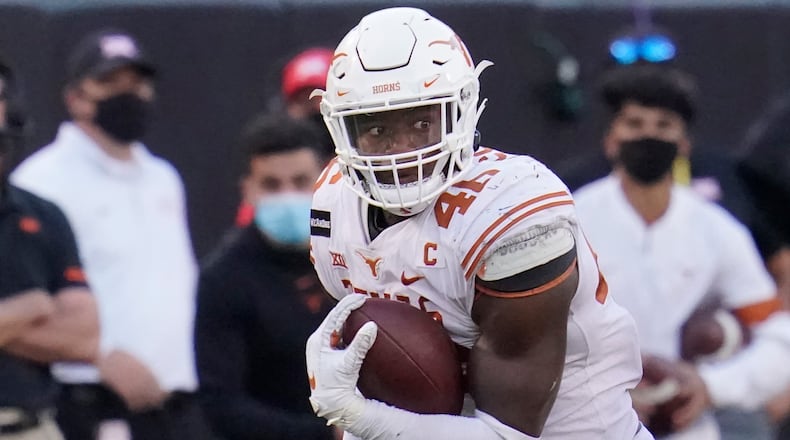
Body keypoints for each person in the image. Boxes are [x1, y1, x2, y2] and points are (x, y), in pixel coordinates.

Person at [305, 7, 651, 440]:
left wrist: (361, 418)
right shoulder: (332, 204)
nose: (402, 151)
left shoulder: (513, 213)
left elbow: (509, 435)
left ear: (462, 112)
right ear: (340, 129)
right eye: (376, 130)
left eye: (421, 122)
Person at [10, 29, 210, 440]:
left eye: (137, 83)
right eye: (109, 82)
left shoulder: (162, 178)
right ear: (75, 98)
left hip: (174, 400)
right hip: (90, 400)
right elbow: (20, 305)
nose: (128, 94)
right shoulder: (42, 182)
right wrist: (100, 357)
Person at [572, 64, 790, 439]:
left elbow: (777, 334)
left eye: (663, 126)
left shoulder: (716, 228)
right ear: (611, 139)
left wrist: (711, 385)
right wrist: (598, 390)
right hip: (586, 422)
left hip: (689, 424)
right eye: (635, 124)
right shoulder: (572, 220)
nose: (648, 136)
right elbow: (535, 332)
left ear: (684, 144)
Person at [195, 114, 338, 440]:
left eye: (301, 182)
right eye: (272, 185)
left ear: (325, 180)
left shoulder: (355, 259)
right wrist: (329, 435)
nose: (288, 195)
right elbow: (222, 406)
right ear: (248, 190)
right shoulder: (224, 280)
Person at [0, 57, 99, 439]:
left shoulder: (41, 214)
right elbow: (52, 317)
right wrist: (32, 307)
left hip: (32, 427)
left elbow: (84, 337)